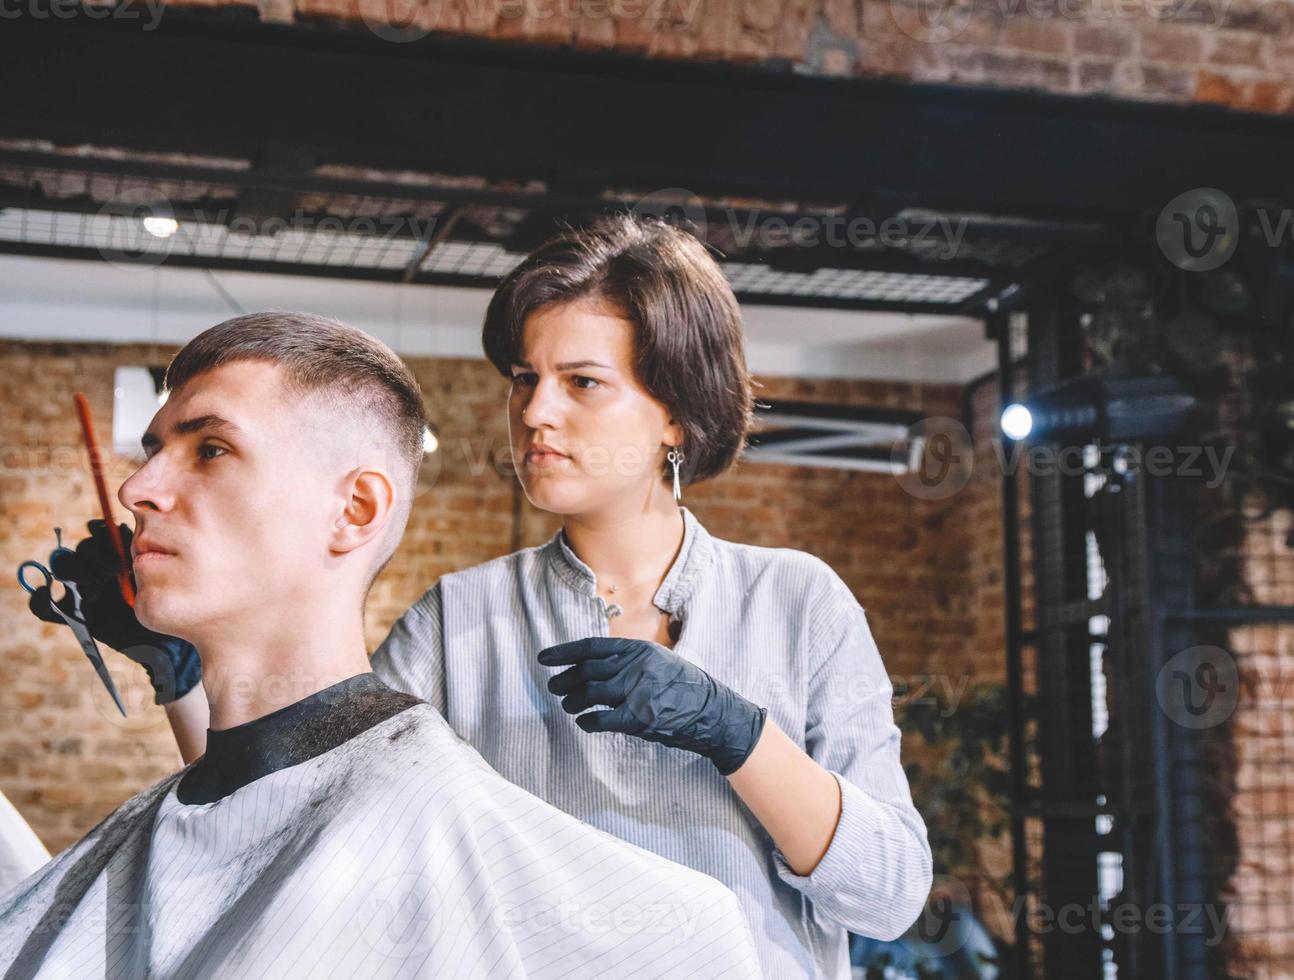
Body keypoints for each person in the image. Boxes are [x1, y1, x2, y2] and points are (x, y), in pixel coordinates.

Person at [32, 215, 934, 978]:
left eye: (581, 383)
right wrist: (184, 675)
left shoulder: (799, 604)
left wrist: (739, 736)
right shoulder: (462, 622)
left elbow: (888, 895)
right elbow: (298, 814)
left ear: (676, 412)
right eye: (524, 379)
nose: (536, 413)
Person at [3, 313, 762, 979]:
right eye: (154, 449)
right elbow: (277, 790)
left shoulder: (433, 821)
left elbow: (701, 939)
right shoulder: (213, 810)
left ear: (355, 509)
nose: (139, 489)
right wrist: (179, 677)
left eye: (209, 450)